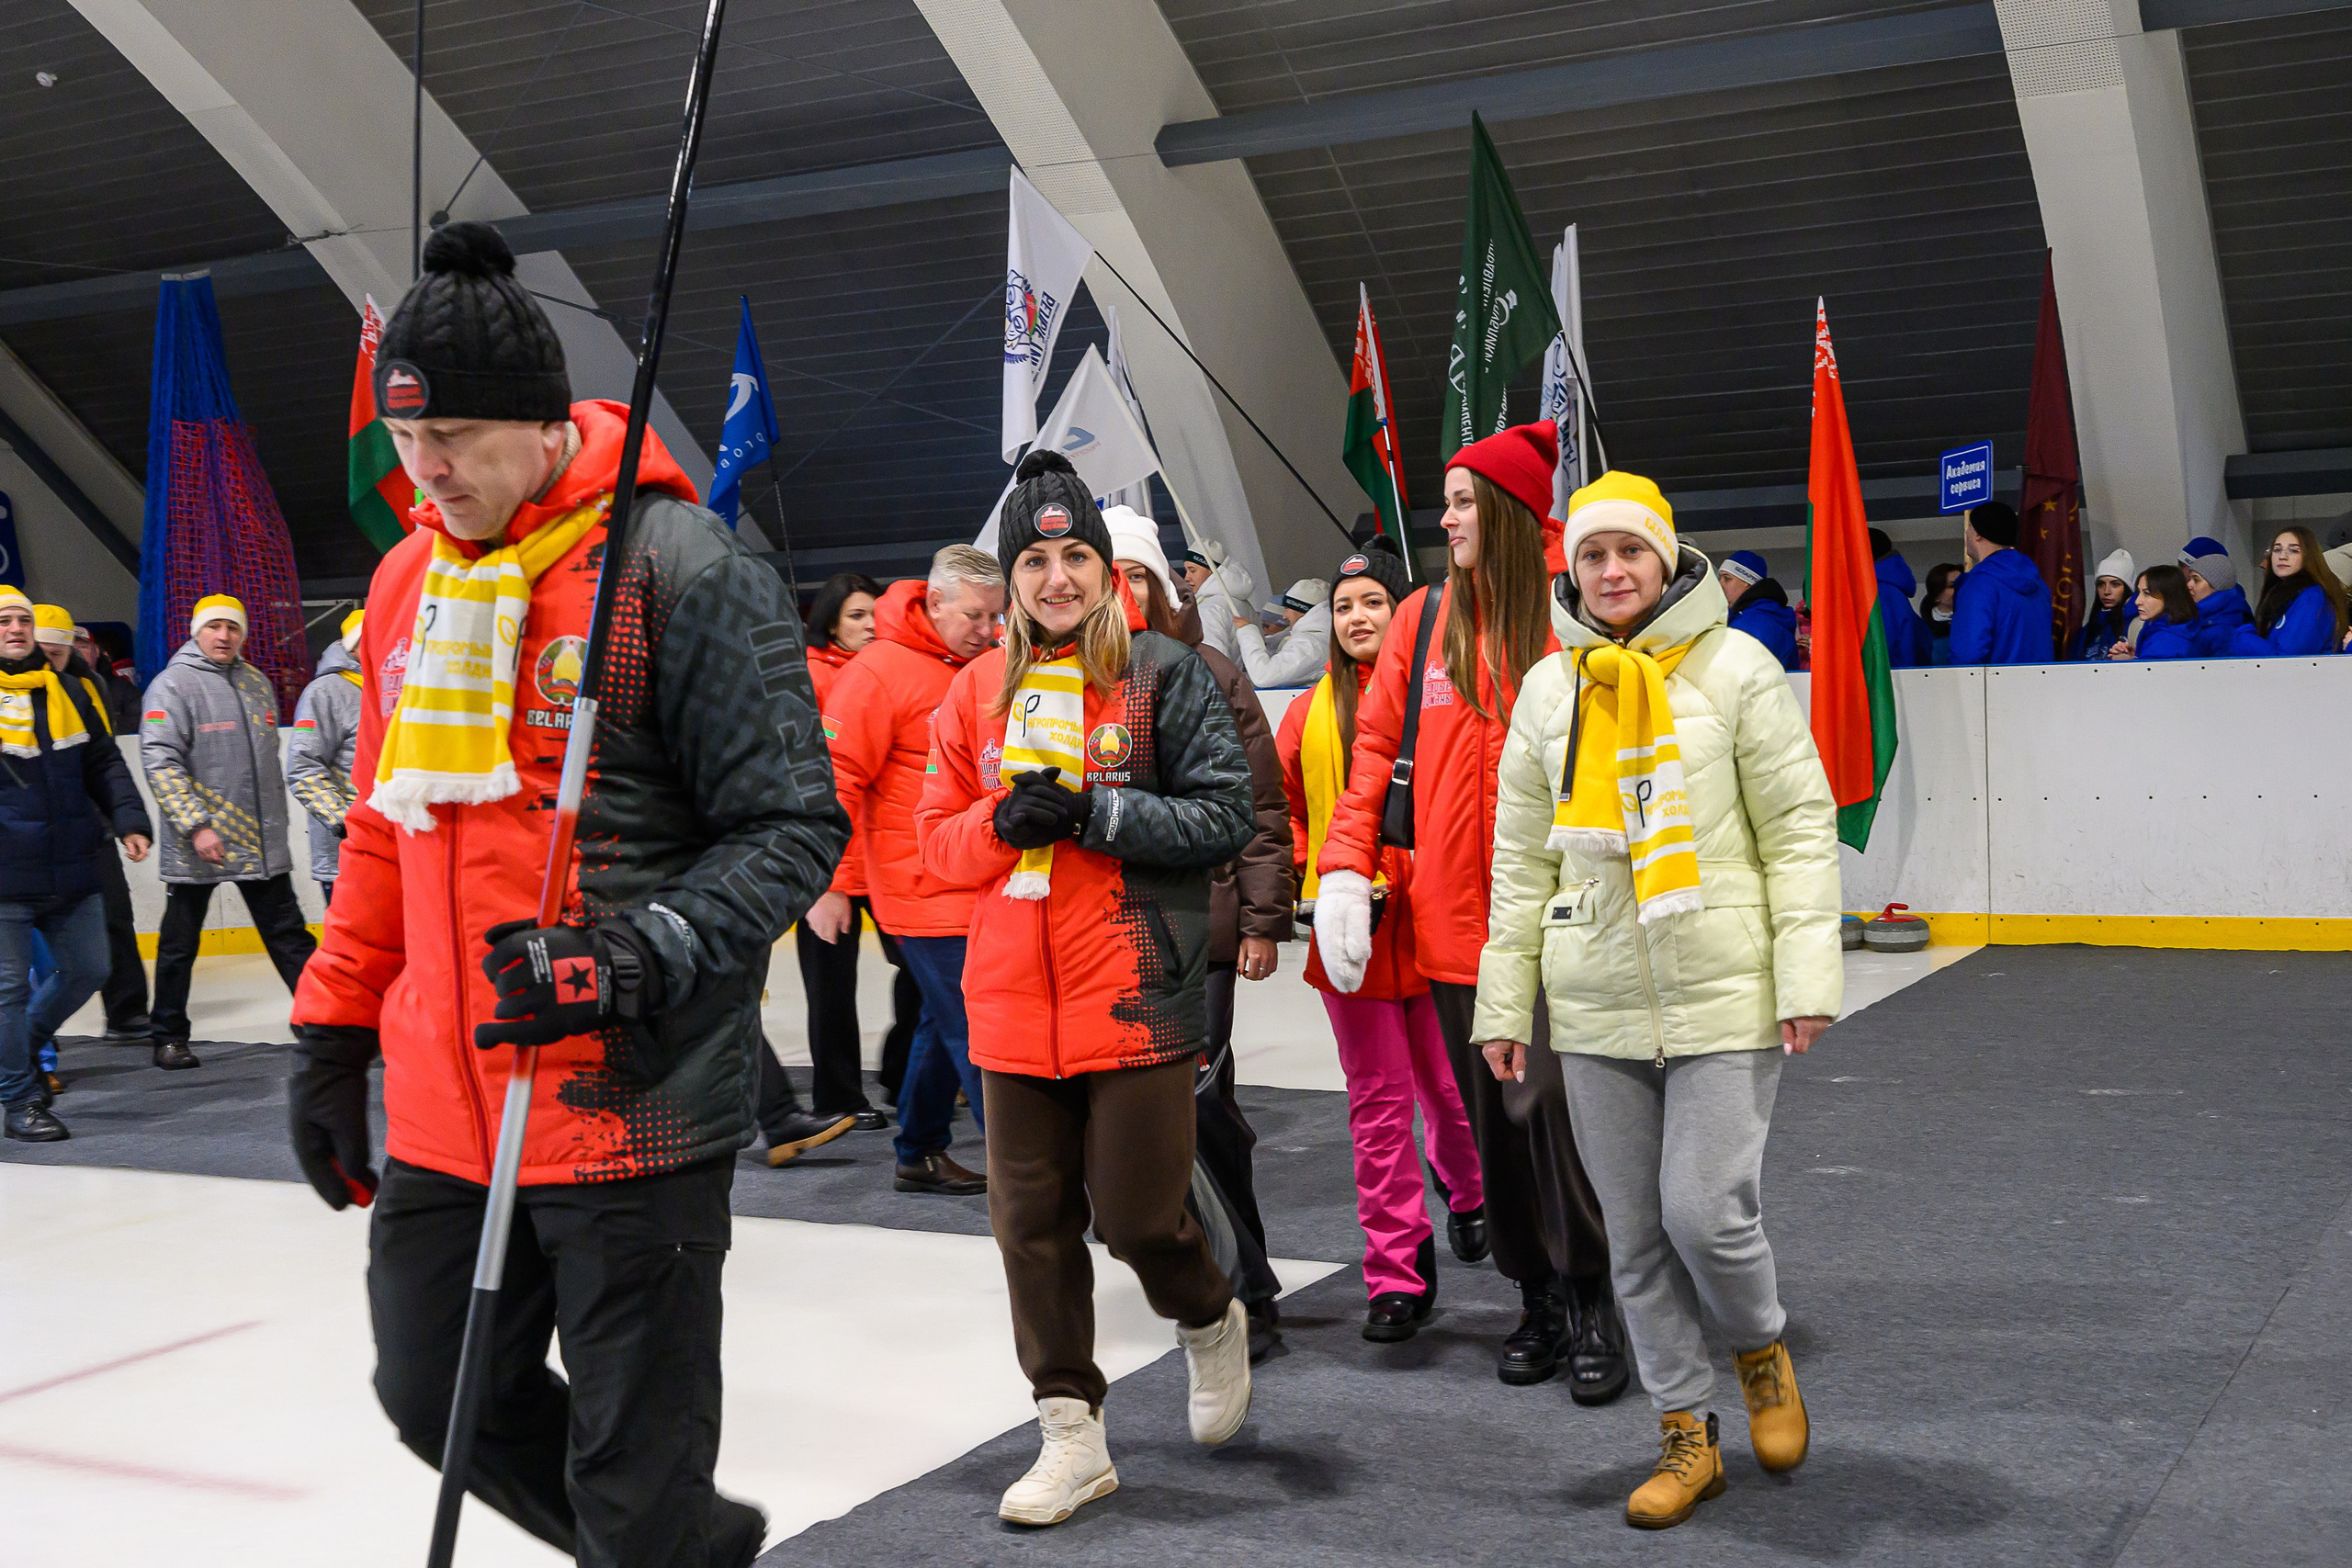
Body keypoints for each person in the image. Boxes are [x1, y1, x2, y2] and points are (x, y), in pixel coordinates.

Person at [284, 222, 848, 1568]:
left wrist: (635, 949)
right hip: (446, 1093)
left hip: (624, 1098)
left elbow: (790, 824)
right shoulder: (411, 579)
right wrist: (330, 1027)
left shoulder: (677, 566)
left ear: (546, 428)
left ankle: (651, 1541)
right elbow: (381, 823)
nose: (431, 471)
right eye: (412, 442)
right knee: (433, 1392)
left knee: (633, 1468)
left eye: (463, 437)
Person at [1476, 471, 1841, 1530]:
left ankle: (1760, 1350)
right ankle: (1686, 1432)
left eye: (1630, 551)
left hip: (1722, 983)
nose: (1612, 572)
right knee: (1632, 1235)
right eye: (1592, 556)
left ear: (1667, 558)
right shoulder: (1550, 692)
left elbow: (1799, 832)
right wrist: (1504, 1007)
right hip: (1592, 998)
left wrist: (1807, 977)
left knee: (1704, 1213)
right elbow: (1517, 869)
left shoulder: (1739, 668)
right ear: (1572, 571)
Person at [917, 449, 1257, 1528]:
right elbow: (934, 849)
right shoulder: (972, 692)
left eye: (1075, 557)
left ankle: (1208, 1315)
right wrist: (993, 824)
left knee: (1140, 1217)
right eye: (1036, 560)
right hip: (1012, 1001)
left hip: (1136, 988)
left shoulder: (1165, 674)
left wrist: (1096, 817)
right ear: (1010, 577)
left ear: (1108, 571)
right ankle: (1070, 1432)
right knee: (1028, 1225)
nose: (1056, 578)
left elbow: (1220, 818)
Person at [1317, 419, 1628, 1402]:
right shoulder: (1421, 619)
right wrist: (1339, 864)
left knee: (1554, 1115)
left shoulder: (1568, 610)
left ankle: (1593, 1299)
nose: (1444, 515)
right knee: (1492, 1127)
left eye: (1460, 498)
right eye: (1444, 497)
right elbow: (1373, 752)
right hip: (1453, 930)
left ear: (1503, 507)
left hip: (1560, 923)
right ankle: (1532, 1297)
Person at [1276, 545, 1484, 1341]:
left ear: (1405, 613)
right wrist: (1315, 876)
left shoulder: (1443, 695)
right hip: (1350, 943)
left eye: (1373, 602)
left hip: (1437, 932)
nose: (1357, 617)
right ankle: (1397, 1270)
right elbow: (1289, 811)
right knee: (1378, 1108)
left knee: (1454, 1096)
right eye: (1343, 605)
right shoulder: (1306, 714)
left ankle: (1469, 1193)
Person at [1108, 505, 1295, 1360]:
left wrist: (1262, 919)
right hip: (1102, 936)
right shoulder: (1055, 684)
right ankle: (1216, 1274)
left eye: (1134, 573)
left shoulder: (1213, 671)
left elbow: (1261, 805)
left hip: (1200, 927)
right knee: (1149, 1124)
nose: (1118, 590)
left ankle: (1248, 1282)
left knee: (1203, 1106)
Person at [820, 545, 1007, 1195]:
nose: (989, 630)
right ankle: (1030, 1178)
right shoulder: (879, 673)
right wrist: (831, 882)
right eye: (976, 617)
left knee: (939, 1019)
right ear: (935, 603)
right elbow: (835, 783)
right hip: (922, 893)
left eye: (996, 617)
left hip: (974, 880)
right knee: (980, 1033)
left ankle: (919, 1148)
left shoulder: (977, 667)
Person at [141, 592, 316, 1071]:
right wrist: (196, 825)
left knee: (290, 937)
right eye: (215, 627)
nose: (224, 636)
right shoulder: (172, 685)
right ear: (197, 631)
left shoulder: (257, 682)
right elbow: (160, 760)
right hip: (199, 840)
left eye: (233, 628)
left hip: (258, 841)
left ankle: (320, 1024)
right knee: (180, 945)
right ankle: (169, 1036)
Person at [0, 588, 153, 1140]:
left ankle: (22, 1044)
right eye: (4, 621)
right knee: (9, 990)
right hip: (5, 876)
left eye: (23, 619)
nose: (16, 628)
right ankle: (21, 1101)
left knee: (90, 969)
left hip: (72, 860)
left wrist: (130, 819)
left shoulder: (70, 689)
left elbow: (103, 760)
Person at [797, 570, 920, 1122]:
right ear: (829, 622)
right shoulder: (810, 679)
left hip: (887, 861)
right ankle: (838, 1100)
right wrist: (826, 880)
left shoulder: (891, 671)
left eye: (875, 612)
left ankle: (904, 1076)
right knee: (830, 990)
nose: (870, 625)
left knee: (922, 973)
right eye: (855, 616)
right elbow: (820, 785)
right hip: (831, 865)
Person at [34, 603, 149, 1043]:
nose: (49, 659)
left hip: (89, 825)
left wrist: (126, 821)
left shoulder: (90, 686)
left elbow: (104, 761)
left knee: (116, 917)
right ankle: (30, 1041)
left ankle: (126, 1011)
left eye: (57, 652)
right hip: (28, 834)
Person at [286, 608, 365, 905]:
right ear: (353, 647)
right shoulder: (325, 693)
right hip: (347, 854)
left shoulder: (399, 691)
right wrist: (346, 823)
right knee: (354, 947)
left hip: (401, 852)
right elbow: (303, 768)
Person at [1950, 502, 2053, 665]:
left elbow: (1968, 653)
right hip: (2038, 684)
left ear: (1978, 534)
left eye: (1969, 527)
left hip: (1995, 687)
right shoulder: (2039, 584)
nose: (1967, 532)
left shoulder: (1979, 584)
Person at [2233, 525, 2346, 657]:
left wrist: (2243, 637)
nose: (2282, 556)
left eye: (2294, 550)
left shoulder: (2313, 598)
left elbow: (2289, 658)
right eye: (2276, 550)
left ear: (2308, 556)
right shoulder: (2283, 596)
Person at [1232, 577, 1333, 689]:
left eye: (1286, 608)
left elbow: (1264, 676)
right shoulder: (1319, 639)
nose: (1284, 616)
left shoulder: (1310, 644)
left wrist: (1248, 633)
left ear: (1301, 609)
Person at [1716, 551, 1797, 671]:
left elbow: (1734, 674)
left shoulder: (1753, 624)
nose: (1720, 584)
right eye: (1720, 578)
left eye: (1727, 579)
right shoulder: (1768, 617)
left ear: (1747, 584)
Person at [2177, 536, 2252, 657]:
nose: (2189, 585)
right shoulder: (2204, 618)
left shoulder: (2222, 628)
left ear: (2215, 584)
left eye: (2196, 579)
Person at [1870, 530, 1933, 667]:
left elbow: (1882, 649)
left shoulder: (1878, 593)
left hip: (1889, 682)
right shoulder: (1890, 589)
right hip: (1905, 677)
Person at [2120, 565, 2200, 660]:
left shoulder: (2165, 642)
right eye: (2139, 592)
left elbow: (2145, 673)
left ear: (2169, 596)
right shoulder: (2165, 630)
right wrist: (2133, 658)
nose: (2137, 601)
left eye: (2147, 594)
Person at [2072, 550, 2138, 660]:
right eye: (2101, 584)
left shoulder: (2137, 625)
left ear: (2127, 589)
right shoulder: (2086, 632)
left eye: (2115, 584)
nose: (2106, 591)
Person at [1922, 562, 1963, 663]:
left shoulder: (1972, 624)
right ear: (1936, 595)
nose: (1960, 589)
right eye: (1952, 586)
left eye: (1962, 584)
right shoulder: (1922, 630)